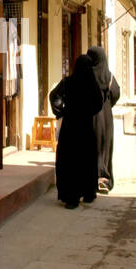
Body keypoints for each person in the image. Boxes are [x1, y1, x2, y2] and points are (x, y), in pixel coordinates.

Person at [50, 55, 104, 208]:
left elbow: (54, 96)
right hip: (86, 127)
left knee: (70, 161)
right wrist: (88, 111)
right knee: (86, 160)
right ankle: (88, 192)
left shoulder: (68, 82)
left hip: (70, 128)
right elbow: (99, 103)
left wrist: (61, 111)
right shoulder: (92, 84)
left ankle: (71, 197)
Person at [86, 45, 121, 193]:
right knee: (105, 146)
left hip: (89, 116)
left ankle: (92, 178)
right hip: (106, 117)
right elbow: (116, 93)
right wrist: (106, 105)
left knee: (90, 147)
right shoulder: (109, 76)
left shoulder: (86, 75)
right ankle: (104, 177)